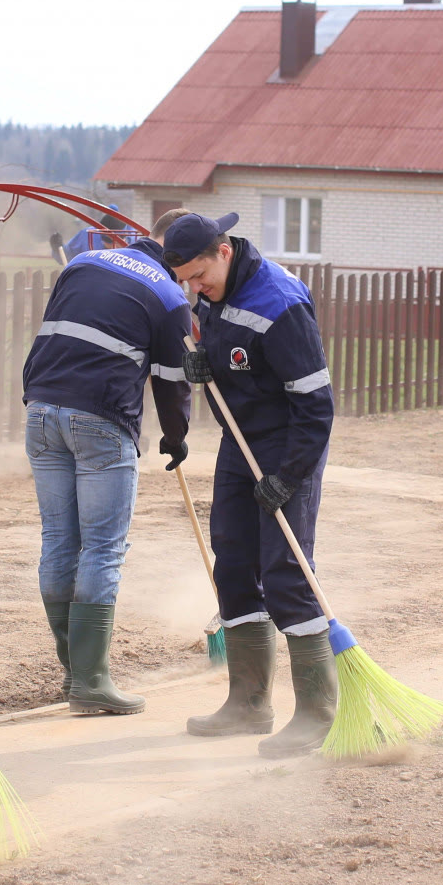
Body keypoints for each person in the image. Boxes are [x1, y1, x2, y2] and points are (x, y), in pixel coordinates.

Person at [162, 211, 337, 757]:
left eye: (199, 276)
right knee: (233, 562)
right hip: (240, 445)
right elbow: (238, 365)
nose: (193, 290)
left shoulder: (280, 305)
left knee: (285, 572)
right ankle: (249, 703)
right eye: (184, 280)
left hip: (288, 444)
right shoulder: (209, 296)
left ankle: (316, 713)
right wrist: (206, 367)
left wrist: (288, 477)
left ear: (224, 252)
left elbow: (317, 407)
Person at [20, 217, 194, 713]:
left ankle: (74, 672)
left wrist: (38, 399)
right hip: (100, 419)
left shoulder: (83, 262)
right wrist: (175, 436)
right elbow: (170, 378)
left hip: (42, 410)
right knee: (101, 549)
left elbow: (50, 335)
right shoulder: (168, 295)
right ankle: (91, 683)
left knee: (59, 540)